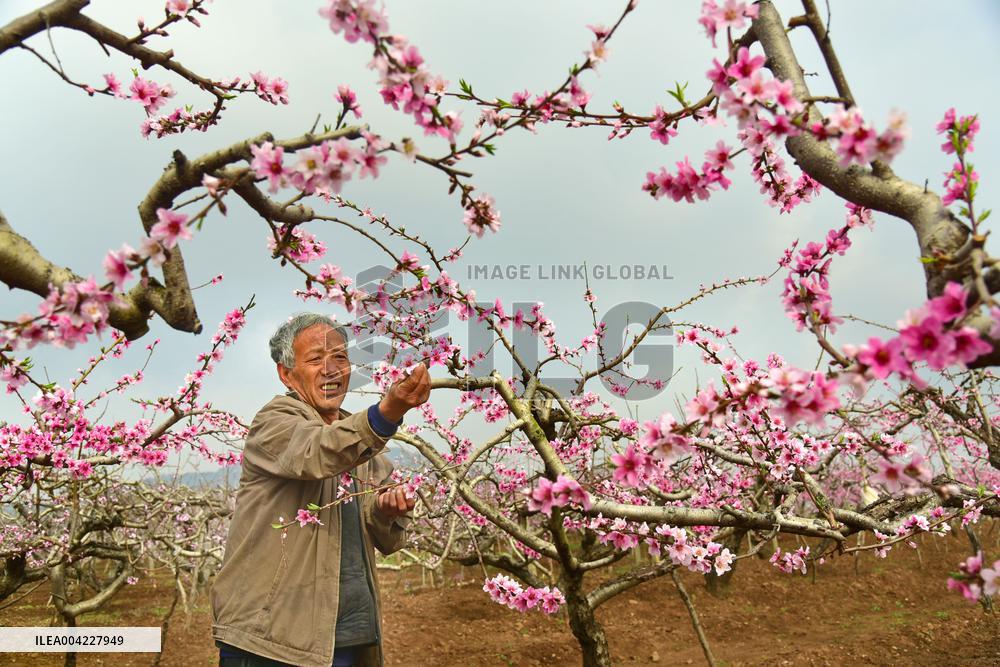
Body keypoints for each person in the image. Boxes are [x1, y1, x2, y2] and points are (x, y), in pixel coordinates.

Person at [211, 313, 431, 667]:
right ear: (286, 373)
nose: (331, 369)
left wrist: (385, 510)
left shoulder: (364, 444)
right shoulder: (274, 422)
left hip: (348, 636)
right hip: (271, 640)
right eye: (315, 359)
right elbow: (316, 452)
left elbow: (390, 541)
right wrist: (388, 412)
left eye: (340, 357)